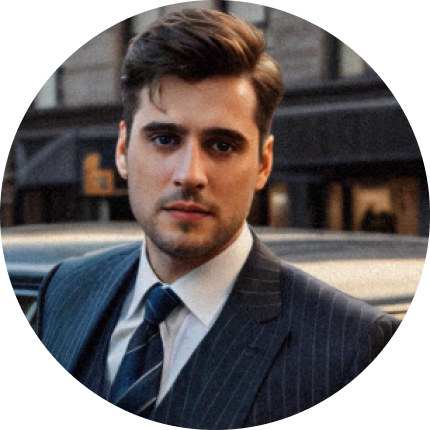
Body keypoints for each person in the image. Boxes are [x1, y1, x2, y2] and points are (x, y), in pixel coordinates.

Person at [37, 8, 400, 428]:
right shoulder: (65, 289)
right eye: (164, 139)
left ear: (263, 163)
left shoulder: (354, 344)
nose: (190, 174)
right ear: (122, 150)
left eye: (222, 145)